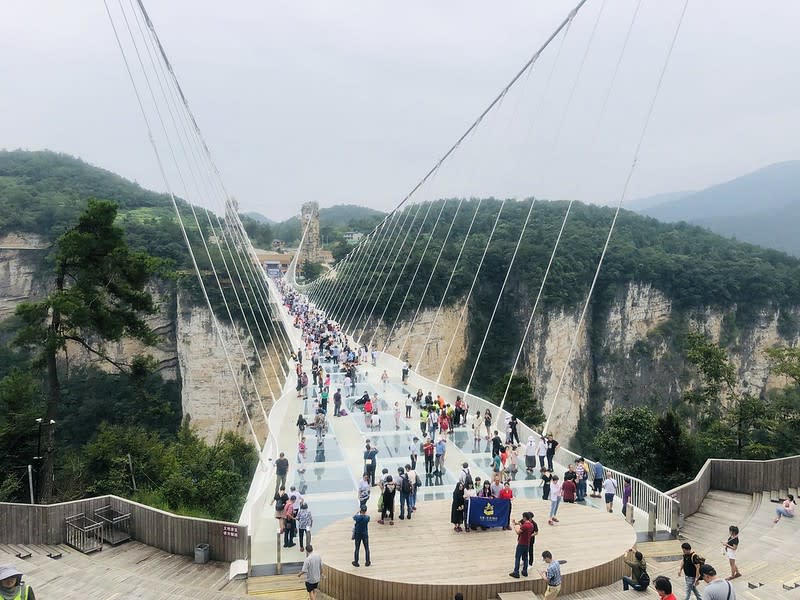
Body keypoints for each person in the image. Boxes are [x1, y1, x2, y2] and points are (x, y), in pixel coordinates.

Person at [509, 512, 534, 578]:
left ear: (525, 518)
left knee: (518, 557)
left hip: (521, 543)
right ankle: (525, 571)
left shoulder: (525, 525)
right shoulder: (531, 525)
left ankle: (516, 572)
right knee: (526, 557)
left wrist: (515, 526)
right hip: (527, 543)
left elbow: (518, 532)